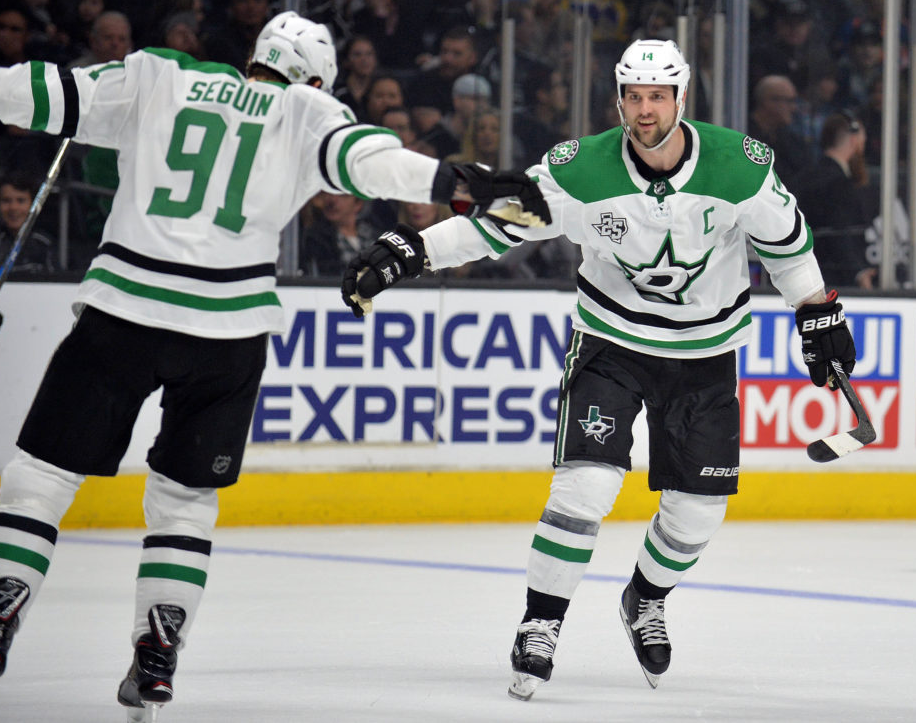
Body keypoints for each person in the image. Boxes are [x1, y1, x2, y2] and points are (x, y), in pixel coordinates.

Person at [0, 10, 544, 718]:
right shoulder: (307, 109)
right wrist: (461, 182)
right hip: (228, 331)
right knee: (185, 499)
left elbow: (23, 93)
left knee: (41, 477)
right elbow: (374, 163)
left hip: (124, 311)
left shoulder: (160, 72)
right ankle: (157, 653)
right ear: (315, 78)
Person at [341, 39, 856, 700]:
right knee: (583, 488)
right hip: (611, 345)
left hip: (704, 355)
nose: (645, 111)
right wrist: (412, 250)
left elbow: (787, 246)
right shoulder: (579, 170)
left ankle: (644, 597)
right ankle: (540, 623)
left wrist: (817, 314)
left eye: (657, 96)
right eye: (634, 97)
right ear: (619, 98)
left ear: (680, 96)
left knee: (697, 512)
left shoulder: (740, 166)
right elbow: (499, 226)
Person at [791, 111, 875, 288]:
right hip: (834, 279)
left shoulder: (804, 176)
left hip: (803, 274)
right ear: (855, 141)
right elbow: (840, 233)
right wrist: (858, 272)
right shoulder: (838, 182)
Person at [0, 172, 57, 276]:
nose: (13, 207)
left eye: (21, 201)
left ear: (33, 205)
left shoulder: (45, 244)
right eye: (6, 200)